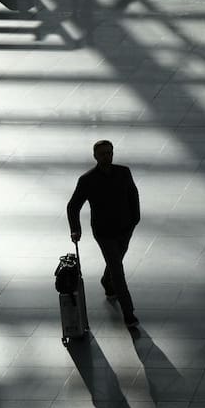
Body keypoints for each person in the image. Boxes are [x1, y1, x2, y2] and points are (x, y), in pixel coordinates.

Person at [67, 140, 141, 328]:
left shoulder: (124, 172)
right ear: (95, 156)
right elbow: (73, 206)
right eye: (102, 154)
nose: (107, 156)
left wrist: (135, 219)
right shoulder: (87, 180)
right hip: (104, 232)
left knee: (115, 262)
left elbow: (133, 195)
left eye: (109, 153)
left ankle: (106, 281)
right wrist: (75, 229)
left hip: (125, 229)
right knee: (118, 270)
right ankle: (129, 314)